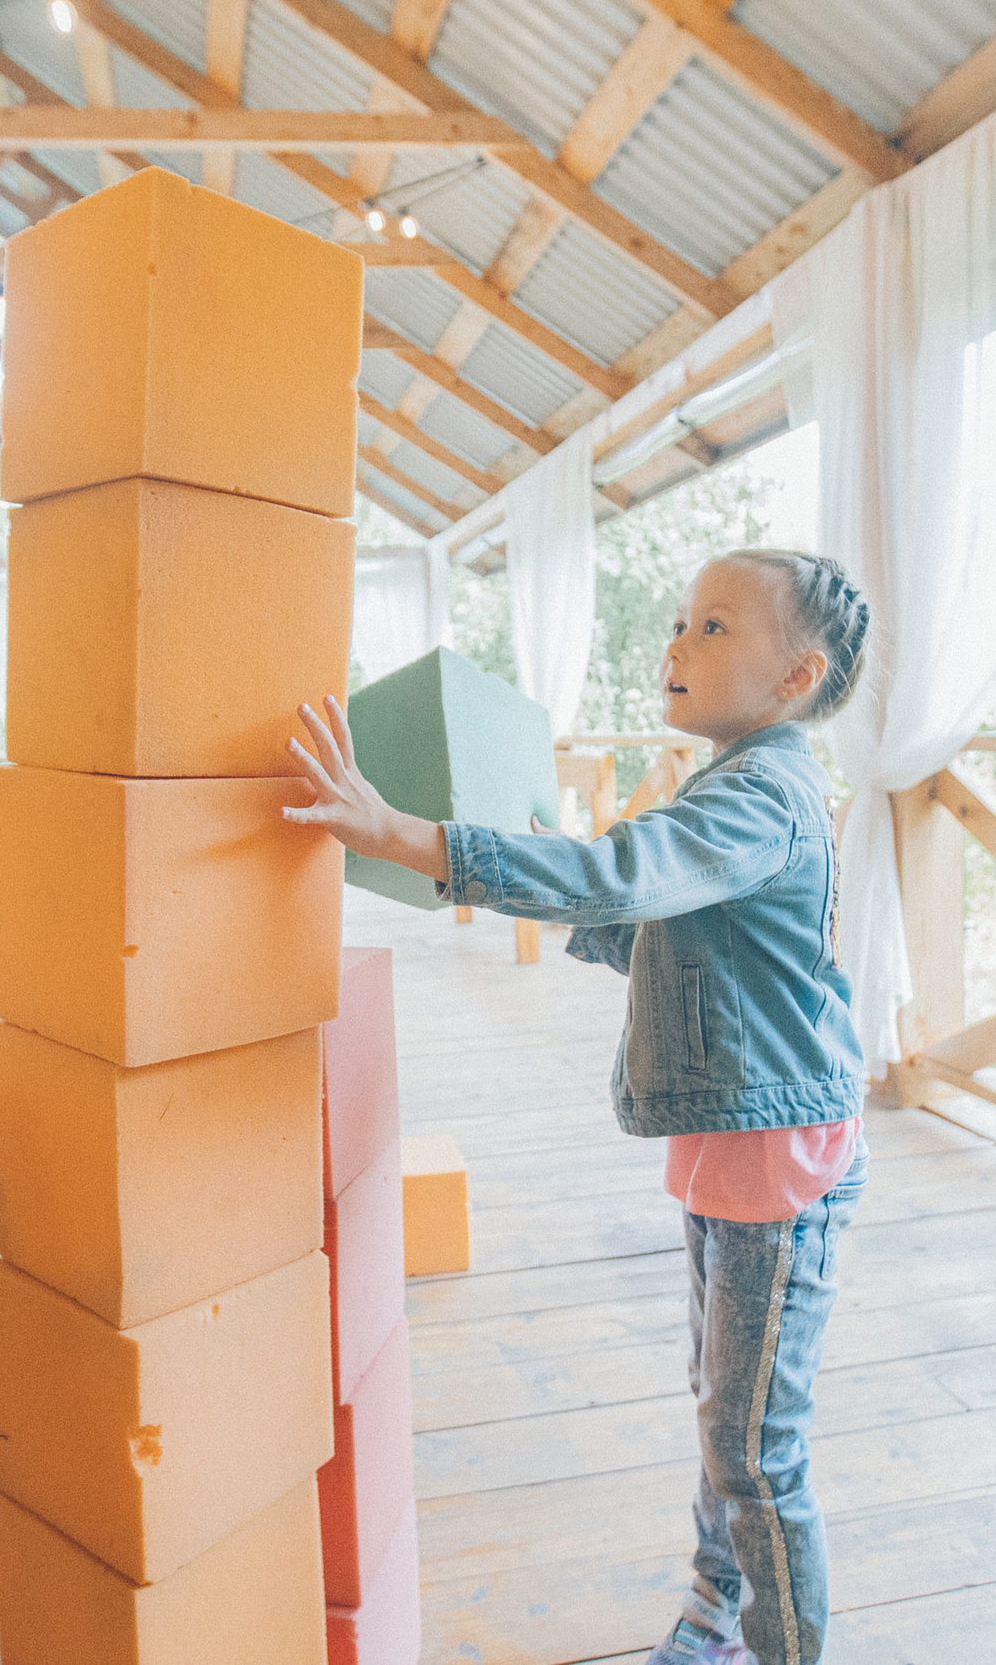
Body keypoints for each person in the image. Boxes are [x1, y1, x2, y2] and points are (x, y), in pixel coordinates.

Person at [288, 549, 874, 1665]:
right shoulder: (727, 784)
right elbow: (636, 923)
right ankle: (714, 1614)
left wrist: (409, 838)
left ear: (795, 679)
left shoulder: (761, 794)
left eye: (713, 627)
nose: (676, 644)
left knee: (756, 1449)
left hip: (781, 1165)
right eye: (679, 620)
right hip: (735, 1154)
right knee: (724, 1415)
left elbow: (620, 881)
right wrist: (528, 851)